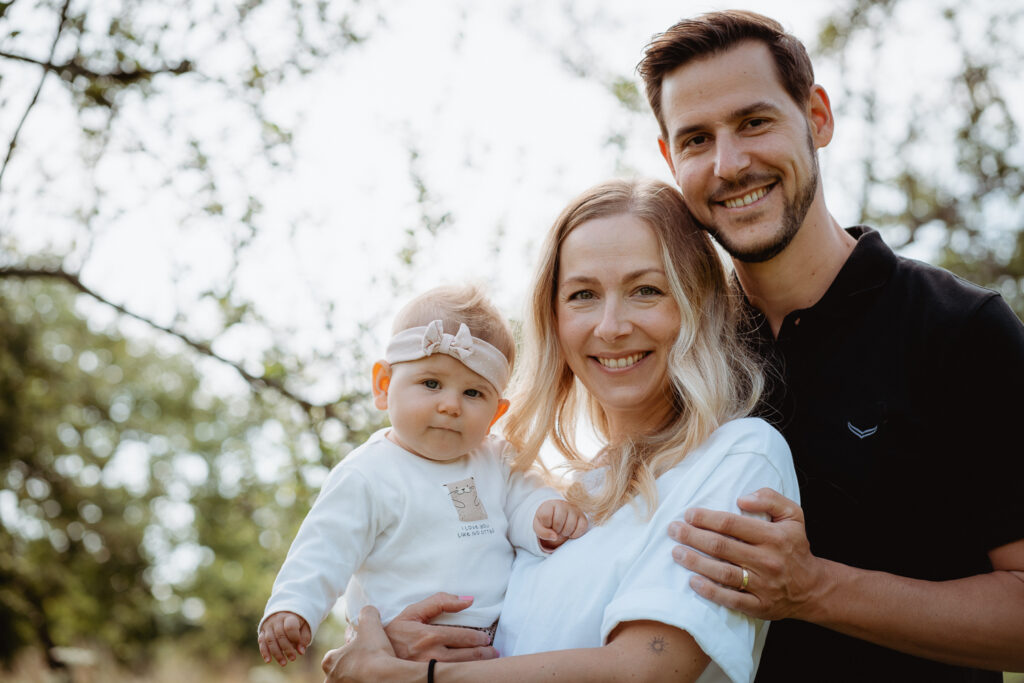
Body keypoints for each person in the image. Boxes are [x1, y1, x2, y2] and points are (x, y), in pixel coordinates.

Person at [635, 9, 1024, 681]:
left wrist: (815, 589)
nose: (730, 164)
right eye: (697, 139)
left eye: (754, 122)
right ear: (672, 160)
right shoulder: (680, 350)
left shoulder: (960, 330)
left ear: (817, 116)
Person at [319, 178, 800, 683]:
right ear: (554, 320)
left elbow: (648, 670)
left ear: (696, 305)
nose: (611, 326)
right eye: (583, 294)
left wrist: (418, 678)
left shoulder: (738, 457)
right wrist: (395, 643)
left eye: (646, 290)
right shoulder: (551, 499)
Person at [257, 284, 588, 667]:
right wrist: (293, 607)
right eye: (431, 384)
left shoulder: (496, 461)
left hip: (489, 655)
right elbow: (323, 549)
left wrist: (545, 516)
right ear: (383, 386)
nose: (450, 405)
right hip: (398, 656)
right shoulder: (368, 474)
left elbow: (526, 501)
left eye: (473, 394)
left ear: (496, 414)